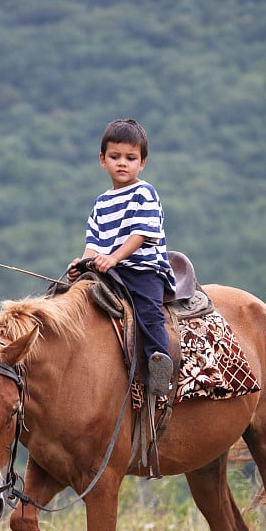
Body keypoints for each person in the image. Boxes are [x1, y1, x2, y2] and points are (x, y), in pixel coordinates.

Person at [67, 118, 176, 397]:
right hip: (108, 271)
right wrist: (81, 264)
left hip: (142, 270)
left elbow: (140, 234)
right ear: (103, 160)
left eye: (131, 158)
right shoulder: (101, 202)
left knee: (149, 312)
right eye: (115, 157)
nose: (122, 163)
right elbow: (93, 242)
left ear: (143, 162)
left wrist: (114, 258)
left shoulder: (144, 193)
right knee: (65, 298)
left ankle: (159, 363)